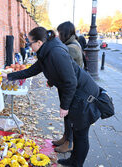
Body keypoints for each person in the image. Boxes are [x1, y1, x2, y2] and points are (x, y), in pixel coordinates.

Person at [2, 27, 101, 167]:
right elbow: (33, 70)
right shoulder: (46, 52)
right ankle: (73, 160)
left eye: (29, 43)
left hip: (85, 95)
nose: (28, 46)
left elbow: (71, 81)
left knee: (81, 133)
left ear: (39, 43)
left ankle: (77, 163)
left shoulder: (55, 53)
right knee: (75, 128)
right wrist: (9, 76)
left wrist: (64, 106)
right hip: (75, 93)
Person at [52, 21, 84, 153]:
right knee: (67, 115)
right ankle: (66, 138)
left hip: (72, 88)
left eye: (60, 33)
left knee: (69, 115)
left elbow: (61, 68)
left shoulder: (71, 48)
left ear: (65, 33)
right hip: (69, 86)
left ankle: (69, 143)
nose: (58, 36)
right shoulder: (71, 44)